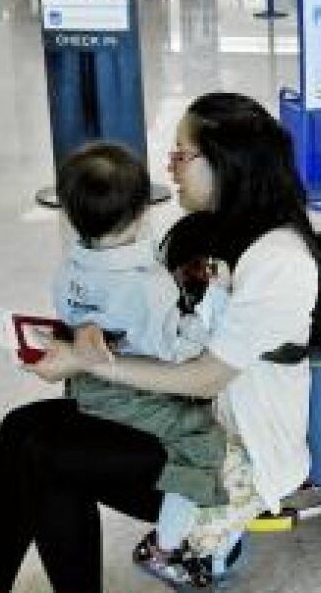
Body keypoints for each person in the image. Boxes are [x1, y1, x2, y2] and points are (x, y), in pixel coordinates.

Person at [0, 93, 321, 593]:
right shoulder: (197, 229)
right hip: (177, 414)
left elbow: (206, 379)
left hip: (232, 453)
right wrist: (87, 334)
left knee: (45, 453)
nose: (169, 167)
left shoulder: (279, 260)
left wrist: (87, 361)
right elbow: (145, 322)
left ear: (225, 162)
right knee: (21, 430)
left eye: (182, 154)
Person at [50, 143, 233, 587]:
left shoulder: (69, 269)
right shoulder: (147, 285)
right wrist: (213, 305)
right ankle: (167, 548)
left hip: (86, 387)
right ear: (140, 214)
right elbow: (177, 351)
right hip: (135, 395)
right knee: (203, 442)